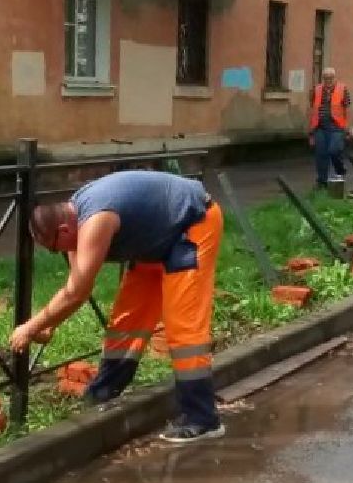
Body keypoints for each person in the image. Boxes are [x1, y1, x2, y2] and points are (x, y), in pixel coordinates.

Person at [12, 170, 226, 444]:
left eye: (55, 248)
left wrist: (30, 328)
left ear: (64, 230)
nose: (58, 254)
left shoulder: (96, 220)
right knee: (127, 321)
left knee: (184, 329)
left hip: (193, 224)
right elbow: (77, 285)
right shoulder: (75, 215)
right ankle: (104, 392)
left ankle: (203, 419)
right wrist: (49, 323)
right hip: (155, 239)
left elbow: (76, 293)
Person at [308, 66, 353, 187]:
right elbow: (312, 110)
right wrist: (311, 133)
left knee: (334, 150)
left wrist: (351, 127)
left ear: (335, 78)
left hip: (337, 127)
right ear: (323, 79)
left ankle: (340, 171)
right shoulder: (316, 90)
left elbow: (348, 109)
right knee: (321, 155)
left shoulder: (342, 89)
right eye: (325, 78)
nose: (328, 80)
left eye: (330, 78)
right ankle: (322, 182)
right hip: (320, 127)